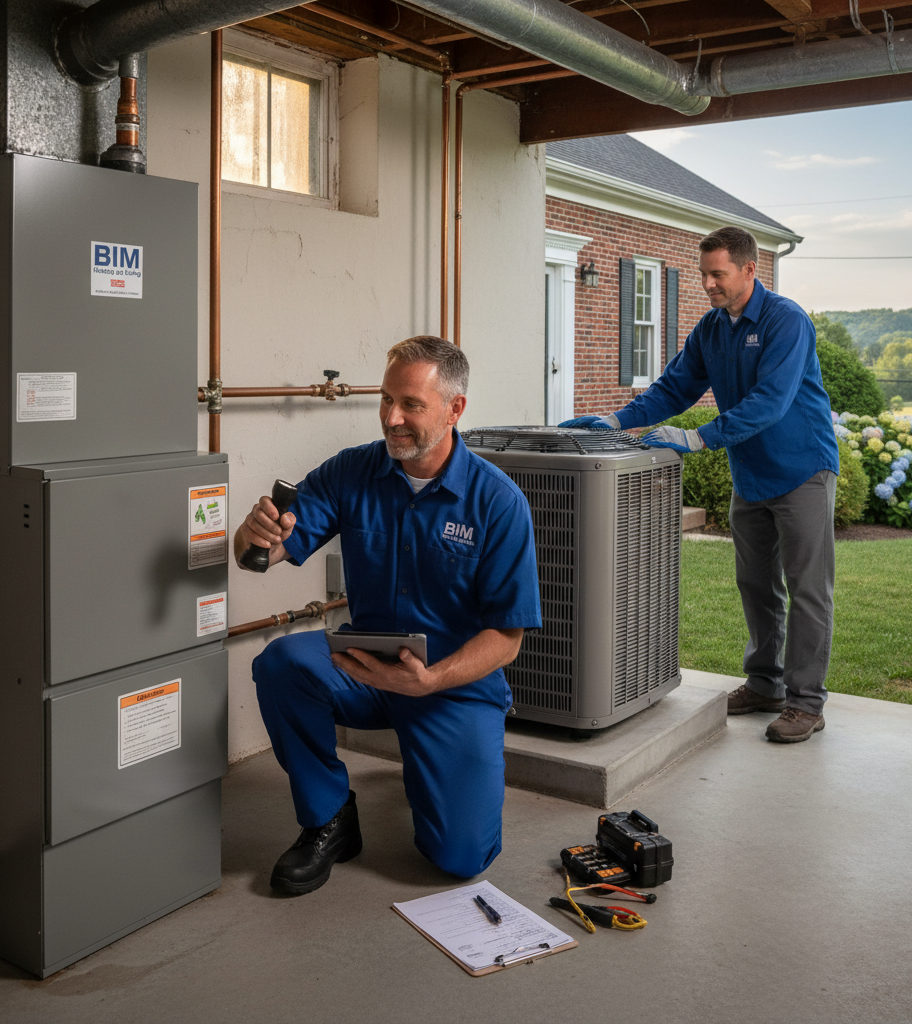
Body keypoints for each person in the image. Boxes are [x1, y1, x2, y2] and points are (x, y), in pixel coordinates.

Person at [237, 336, 541, 895]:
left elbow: (506, 637)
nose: (391, 418)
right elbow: (269, 549)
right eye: (385, 400)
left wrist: (431, 682)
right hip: (369, 664)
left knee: (460, 857)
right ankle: (329, 818)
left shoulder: (498, 503)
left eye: (411, 405)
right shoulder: (351, 472)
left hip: (452, 684)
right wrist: (254, 537)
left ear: (455, 410)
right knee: (282, 662)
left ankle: (442, 772)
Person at [560, 226, 839, 744]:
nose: (707, 284)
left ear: (749, 270)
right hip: (751, 476)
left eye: (718, 274)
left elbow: (770, 401)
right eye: (703, 273)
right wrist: (617, 421)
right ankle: (765, 684)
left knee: (807, 591)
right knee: (756, 585)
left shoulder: (787, 321)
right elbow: (674, 386)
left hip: (803, 469)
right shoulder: (712, 329)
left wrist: (698, 438)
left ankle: (805, 704)